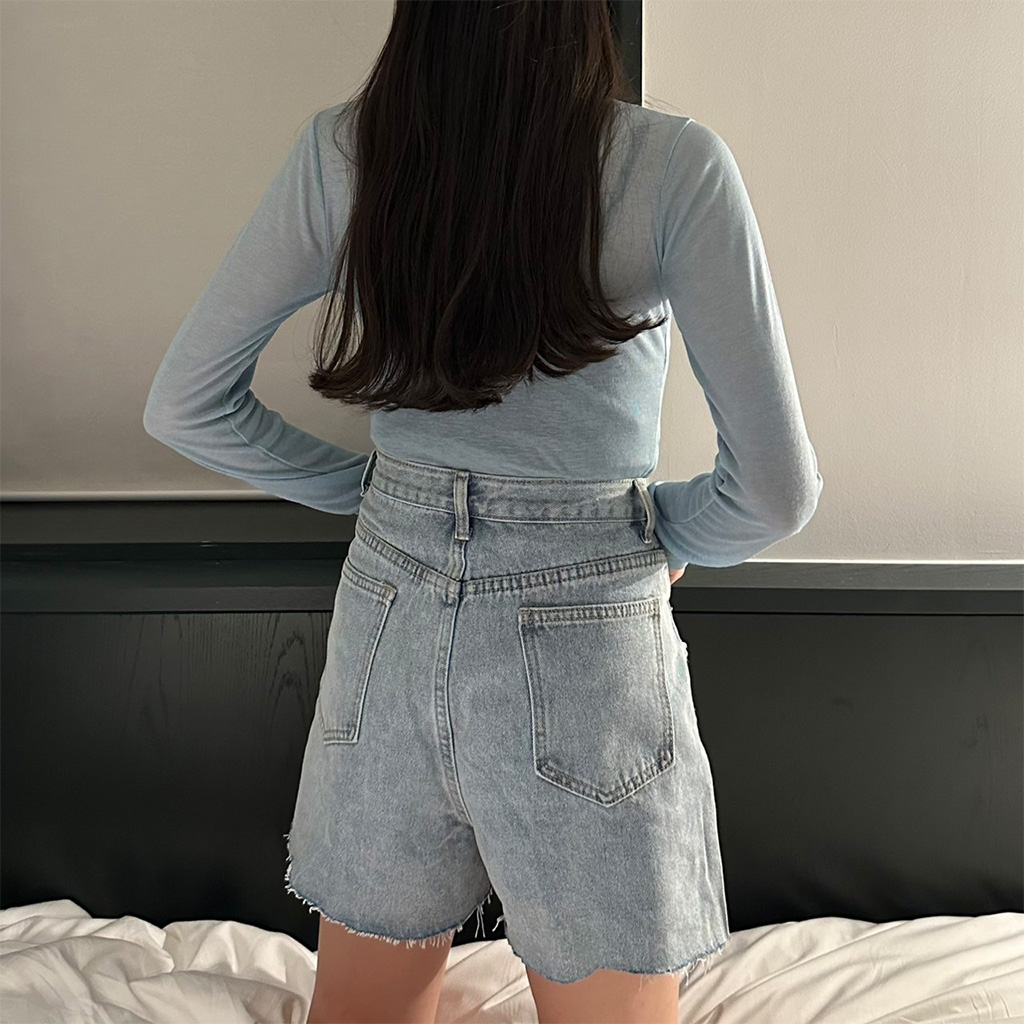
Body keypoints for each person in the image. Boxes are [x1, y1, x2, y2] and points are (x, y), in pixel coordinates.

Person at [143, 3, 822, 1021]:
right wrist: (664, 532)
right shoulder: (672, 166)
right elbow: (774, 491)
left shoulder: (344, 153)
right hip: (586, 632)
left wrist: (381, 495)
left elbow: (186, 405)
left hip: (390, 617)